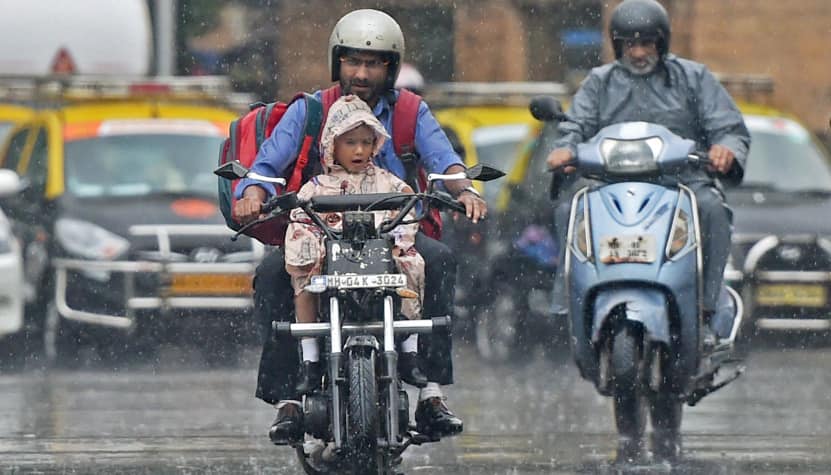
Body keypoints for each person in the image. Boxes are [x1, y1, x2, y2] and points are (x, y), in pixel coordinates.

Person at [234, 9, 486, 445]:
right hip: (321, 233)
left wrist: (466, 191)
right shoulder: (310, 111)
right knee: (274, 275)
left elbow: (446, 164)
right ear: (338, 63)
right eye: (353, 61)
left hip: (394, 232)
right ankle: (288, 399)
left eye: (374, 63)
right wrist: (253, 192)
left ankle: (430, 390)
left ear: (391, 66)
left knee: (441, 260)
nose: (362, 72)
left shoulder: (411, 111)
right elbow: (266, 168)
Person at [545, 0, 750, 343]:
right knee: (571, 207)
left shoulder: (693, 77)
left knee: (713, 209)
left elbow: (729, 127)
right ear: (617, 45)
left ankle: (707, 306)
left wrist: (725, 148)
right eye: (629, 44)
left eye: (647, 43)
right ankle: (572, 299)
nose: (638, 52)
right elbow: (575, 126)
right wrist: (564, 148)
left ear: (662, 42)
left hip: (681, 182)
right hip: (611, 183)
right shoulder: (599, 82)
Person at [284, 95, 428, 391]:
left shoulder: (390, 183)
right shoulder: (316, 188)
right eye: (350, 142)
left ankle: (410, 353)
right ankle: (310, 360)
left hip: (381, 259)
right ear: (332, 145)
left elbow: (407, 212)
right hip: (332, 264)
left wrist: (397, 241)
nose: (359, 149)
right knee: (302, 278)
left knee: (413, 264)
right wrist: (313, 246)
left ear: (375, 143)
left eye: (366, 141)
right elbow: (300, 221)